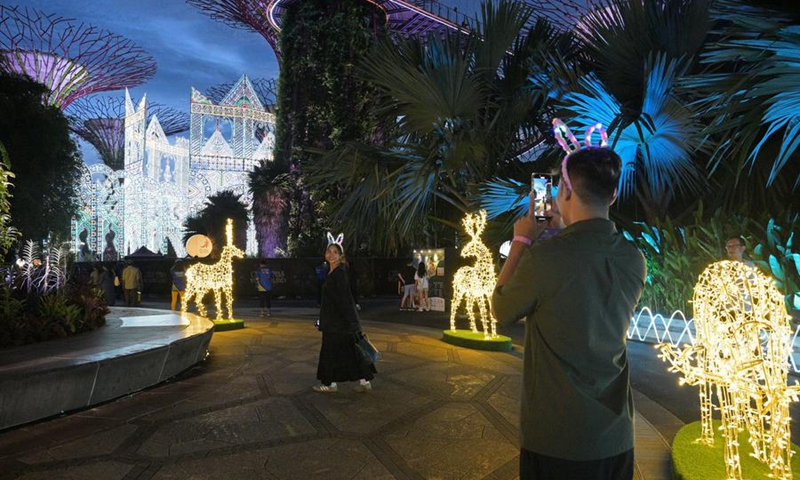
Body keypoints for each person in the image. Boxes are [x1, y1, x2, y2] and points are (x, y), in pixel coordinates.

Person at [492, 146, 646, 480]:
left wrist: (521, 240)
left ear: (563, 191)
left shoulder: (545, 257)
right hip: (616, 438)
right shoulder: (634, 258)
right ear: (614, 194)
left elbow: (500, 309)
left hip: (556, 439)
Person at [313, 242, 375, 393]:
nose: (332, 254)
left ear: (341, 256)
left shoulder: (339, 274)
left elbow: (344, 299)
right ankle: (364, 380)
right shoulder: (333, 271)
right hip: (336, 321)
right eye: (329, 251)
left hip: (337, 322)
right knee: (347, 351)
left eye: (335, 252)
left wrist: (352, 322)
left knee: (331, 352)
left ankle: (330, 383)